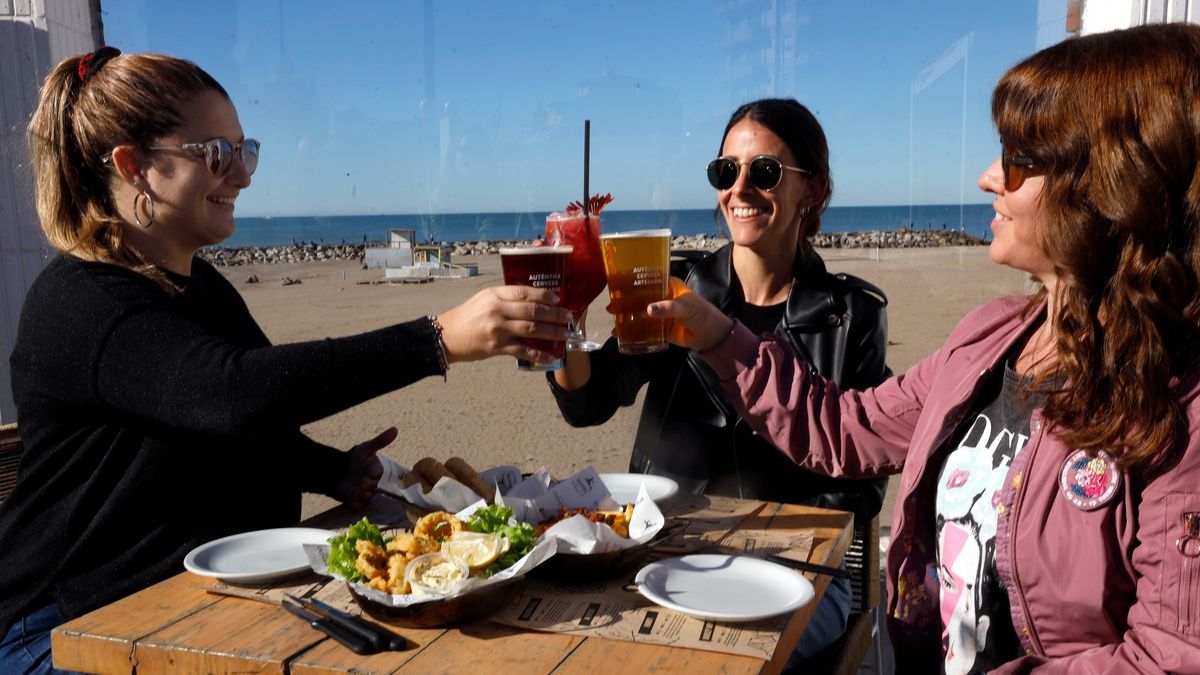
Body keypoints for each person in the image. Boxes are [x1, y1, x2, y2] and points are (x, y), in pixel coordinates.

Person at [649, 23, 1200, 673]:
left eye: (1020, 160)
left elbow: (1167, 657)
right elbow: (847, 429)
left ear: (1112, 187)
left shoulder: (1179, 407)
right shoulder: (993, 337)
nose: (987, 178)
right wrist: (718, 335)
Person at [0, 48, 569, 673]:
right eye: (216, 154)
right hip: (66, 627)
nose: (242, 176)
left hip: (191, 606)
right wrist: (436, 339)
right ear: (133, 166)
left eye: (245, 151)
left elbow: (225, 426)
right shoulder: (83, 300)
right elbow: (231, 394)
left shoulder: (201, 286)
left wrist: (332, 471)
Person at [547, 98, 891, 661]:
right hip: (665, 554)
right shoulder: (679, 288)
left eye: (765, 171)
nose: (740, 189)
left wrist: (760, 540)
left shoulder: (849, 316)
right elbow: (590, 401)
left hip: (795, 568)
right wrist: (565, 320)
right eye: (726, 170)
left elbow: (862, 483)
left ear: (813, 189)